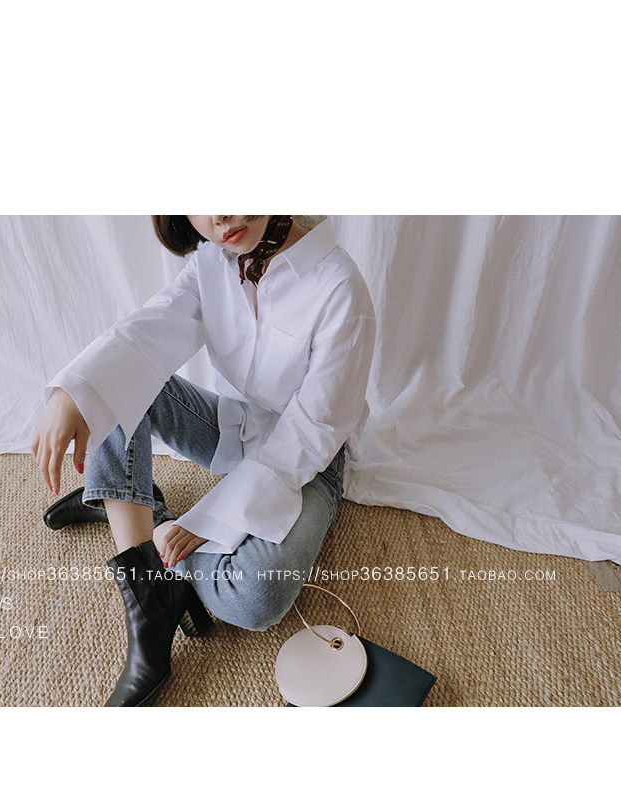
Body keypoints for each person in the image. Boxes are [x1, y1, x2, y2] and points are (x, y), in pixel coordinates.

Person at [31, 215, 375, 706]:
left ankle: (127, 504)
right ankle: (150, 595)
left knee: (257, 595)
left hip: (309, 463)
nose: (220, 215)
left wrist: (212, 519)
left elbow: (314, 431)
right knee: (113, 382)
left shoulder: (339, 287)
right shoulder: (213, 261)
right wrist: (74, 390)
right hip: (236, 428)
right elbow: (145, 336)